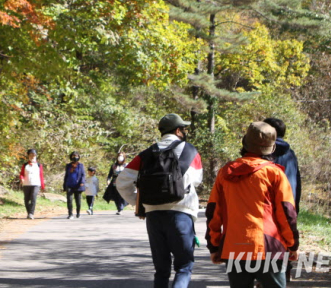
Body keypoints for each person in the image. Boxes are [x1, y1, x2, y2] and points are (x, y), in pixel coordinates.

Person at [206, 122, 299, 288]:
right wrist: (292, 245)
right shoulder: (274, 173)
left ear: (245, 143)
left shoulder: (225, 172)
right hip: (267, 247)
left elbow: (214, 212)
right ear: (271, 148)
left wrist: (214, 245)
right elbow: (286, 213)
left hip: (234, 248)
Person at [117, 113, 203, 288]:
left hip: (154, 215)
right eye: (183, 129)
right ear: (178, 130)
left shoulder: (146, 154)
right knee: (184, 267)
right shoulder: (190, 151)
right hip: (182, 214)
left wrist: (137, 202)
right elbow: (196, 179)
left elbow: (122, 181)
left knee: (161, 269)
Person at [263, 117, 302, 211]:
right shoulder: (290, 153)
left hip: (269, 208)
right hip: (288, 204)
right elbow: (297, 183)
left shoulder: (264, 152)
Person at [19, 148, 45, 219]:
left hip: (36, 184)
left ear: (36, 155)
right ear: (28, 156)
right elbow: (21, 174)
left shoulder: (39, 165)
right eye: (31, 155)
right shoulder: (25, 165)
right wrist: (22, 179)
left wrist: (43, 186)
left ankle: (31, 213)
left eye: (34, 155)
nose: (32, 156)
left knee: (33, 197)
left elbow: (41, 175)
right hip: (26, 184)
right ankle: (28, 212)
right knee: (26, 199)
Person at [63, 151, 86, 219]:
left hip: (78, 185)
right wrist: (64, 184)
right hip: (69, 185)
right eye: (73, 156)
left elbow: (83, 175)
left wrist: (82, 182)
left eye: (76, 156)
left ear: (78, 157)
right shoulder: (68, 166)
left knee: (78, 200)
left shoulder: (80, 165)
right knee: (69, 200)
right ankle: (70, 214)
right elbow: (66, 175)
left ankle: (78, 213)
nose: (75, 157)